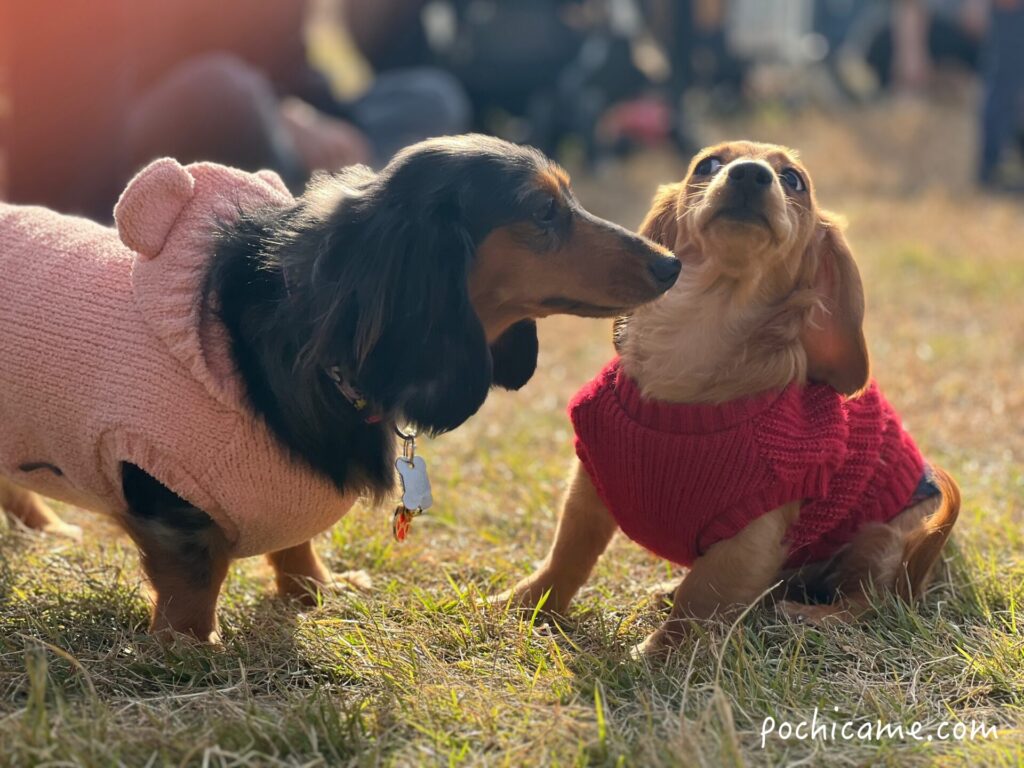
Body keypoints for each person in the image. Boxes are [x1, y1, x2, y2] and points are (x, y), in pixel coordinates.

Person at [2, 0, 470, 220]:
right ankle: (329, 207)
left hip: (276, 138)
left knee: (430, 99)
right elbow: (114, 80)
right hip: (153, 137)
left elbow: (293, 66)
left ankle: (323, 199)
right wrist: (280, 110)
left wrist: (321, 120)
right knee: (223, 92)